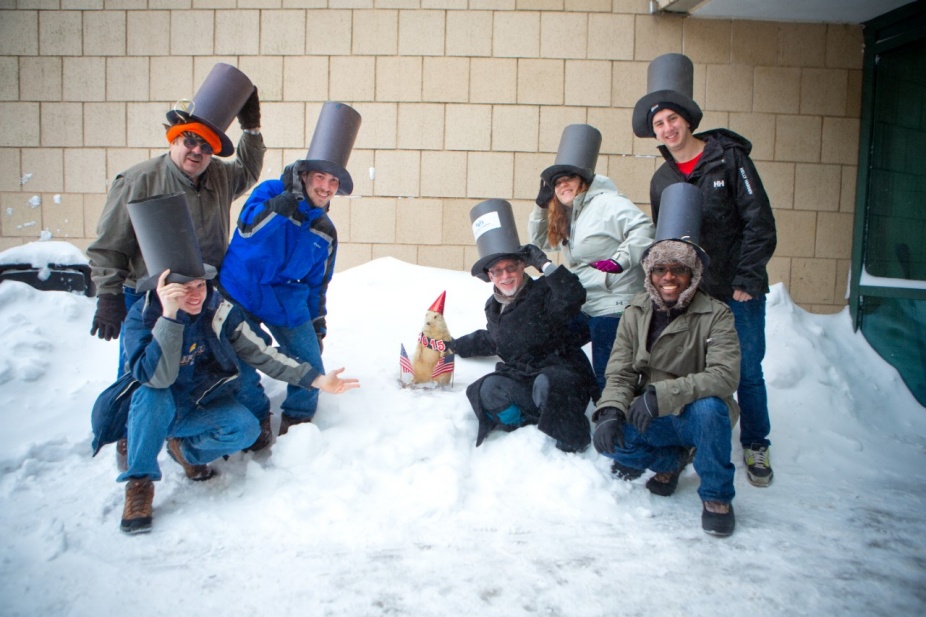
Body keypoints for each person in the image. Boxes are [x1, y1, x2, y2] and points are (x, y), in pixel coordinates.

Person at [94, 193, 360, 534]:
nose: (194, 294)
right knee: (152, 397)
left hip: (200, 404)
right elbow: (155, 377)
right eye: (182, 288)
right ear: (163, 289)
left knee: (246, 428)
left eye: (199, 285)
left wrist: (315, 379)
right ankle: (140, 484)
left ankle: (185, 451)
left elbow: (263, 353)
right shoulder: (143, 316)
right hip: (155, 407)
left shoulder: (220, 312)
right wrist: (171, 318)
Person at [87, 64, 266, 463]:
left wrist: (251, 129)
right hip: (148, 295)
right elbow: (108, 245)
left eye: (206, 146)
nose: (197, 151)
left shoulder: (218, 177)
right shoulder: (138, 180)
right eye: (190, 141)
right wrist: (109, 295)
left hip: (202, 295)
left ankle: (189, 431)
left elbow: (249, 170)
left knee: (196, 366)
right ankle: (130, 438)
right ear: (174, 139)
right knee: (139, 373)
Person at [633, 53, 777, 487]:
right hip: (691, 297)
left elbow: (760, 222)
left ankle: (755, 442)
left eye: (672, 119)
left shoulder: (729, 159)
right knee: (689, 371)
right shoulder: (662, 180)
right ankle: (695, 434)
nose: (667, 129)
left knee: (746, 370)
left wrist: (747, 279)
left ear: (688, 120)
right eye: (659, 125)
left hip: (736, 291)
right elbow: (666, 243)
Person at [592, 182, 741, 537]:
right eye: (660, 269)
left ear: (693, 274)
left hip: (694, 411)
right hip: (649, 412)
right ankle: (672, 461)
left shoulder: (716, 314)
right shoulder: (636, 311)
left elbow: (724, 376)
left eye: (678, 268)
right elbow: (621, 370)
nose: (668, 277)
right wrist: (611, 410)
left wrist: (663, 396)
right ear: (650, 275)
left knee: (708, 410)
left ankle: (716, 496)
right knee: (615, 445)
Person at [218, 102, 362, 442]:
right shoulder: (270, 192)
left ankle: (297, 422)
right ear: (304, 175)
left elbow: (317, 285)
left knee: (311, 362)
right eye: (320, 177)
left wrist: (317, 324)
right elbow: (248, 229)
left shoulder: (325, 231)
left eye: (333, 181)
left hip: (286, 302)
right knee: (239, 365)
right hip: (240, 290)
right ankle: (257, 419)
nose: (326, 187)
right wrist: (282, 209)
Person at [451, 199, 598, 453]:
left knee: (547, 384)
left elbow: (573, 297)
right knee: (487, 389)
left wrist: (544, 264)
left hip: (559, 374)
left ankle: (570, 437)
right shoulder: (493, 306)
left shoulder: (544, 291)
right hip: (522, 377)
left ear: (522, 266)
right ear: (490, 276)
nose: (505, 276)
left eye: (511, 267)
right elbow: (492, 338)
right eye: (497, 271)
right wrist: (452, 345)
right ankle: (526, 422)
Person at [529, 124, 655, 393]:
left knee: (609, 375)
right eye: (557, 182)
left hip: (615, 303)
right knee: (550, 340)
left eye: (569, 179)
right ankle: (577, 394)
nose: (563, 185)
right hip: (586, 302)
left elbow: (645, 228)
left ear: (583, 181)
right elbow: (540, 242)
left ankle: (615, 423)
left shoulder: (607, 203)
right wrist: (541, 208)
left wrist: (619, 260)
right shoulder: (568, 214)